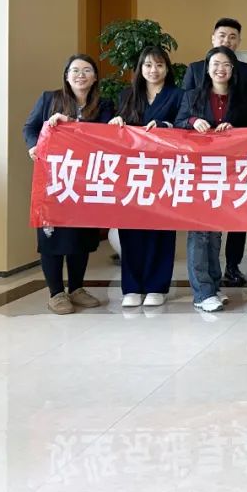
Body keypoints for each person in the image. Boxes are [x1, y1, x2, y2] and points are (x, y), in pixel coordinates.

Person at [25, 54, 114, 314]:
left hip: (85, 181)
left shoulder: (104, 105)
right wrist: (33, 146)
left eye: (87, 70)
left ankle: (76, 288)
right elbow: (30, 127)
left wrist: (73, 123)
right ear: (66, 76)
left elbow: (105, 136)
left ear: (95, 77)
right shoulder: (49, 99)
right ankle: (56, 293)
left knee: (80, 236)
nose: (80, 75)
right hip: (53, 180)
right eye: (74, 70)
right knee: (52, 236)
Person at [181, 18, 247, 288]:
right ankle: (205, 281)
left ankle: (232, 266)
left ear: (238, 41)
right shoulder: (195, 71)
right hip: (202, 162)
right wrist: (194, 121)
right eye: (222, 35)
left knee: (238, 213)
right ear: (212, 38)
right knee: (205, 223)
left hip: (237, 159)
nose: (226, 40)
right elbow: (183, 111)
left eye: (232, 36)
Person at [108, 46, 183, 308]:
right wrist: (116, 123)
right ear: (140, 68)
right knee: (130, 229)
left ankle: (156, 287)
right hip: (132, 172)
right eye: (148, 65)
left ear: (167, 68)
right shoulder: (127, 95)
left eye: (159, 65)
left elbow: (184, 125)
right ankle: (131, 287)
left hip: (164, 172)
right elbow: (116, 129)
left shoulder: (178, 95)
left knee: (160, 230)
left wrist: (164, 127)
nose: (154, 70)